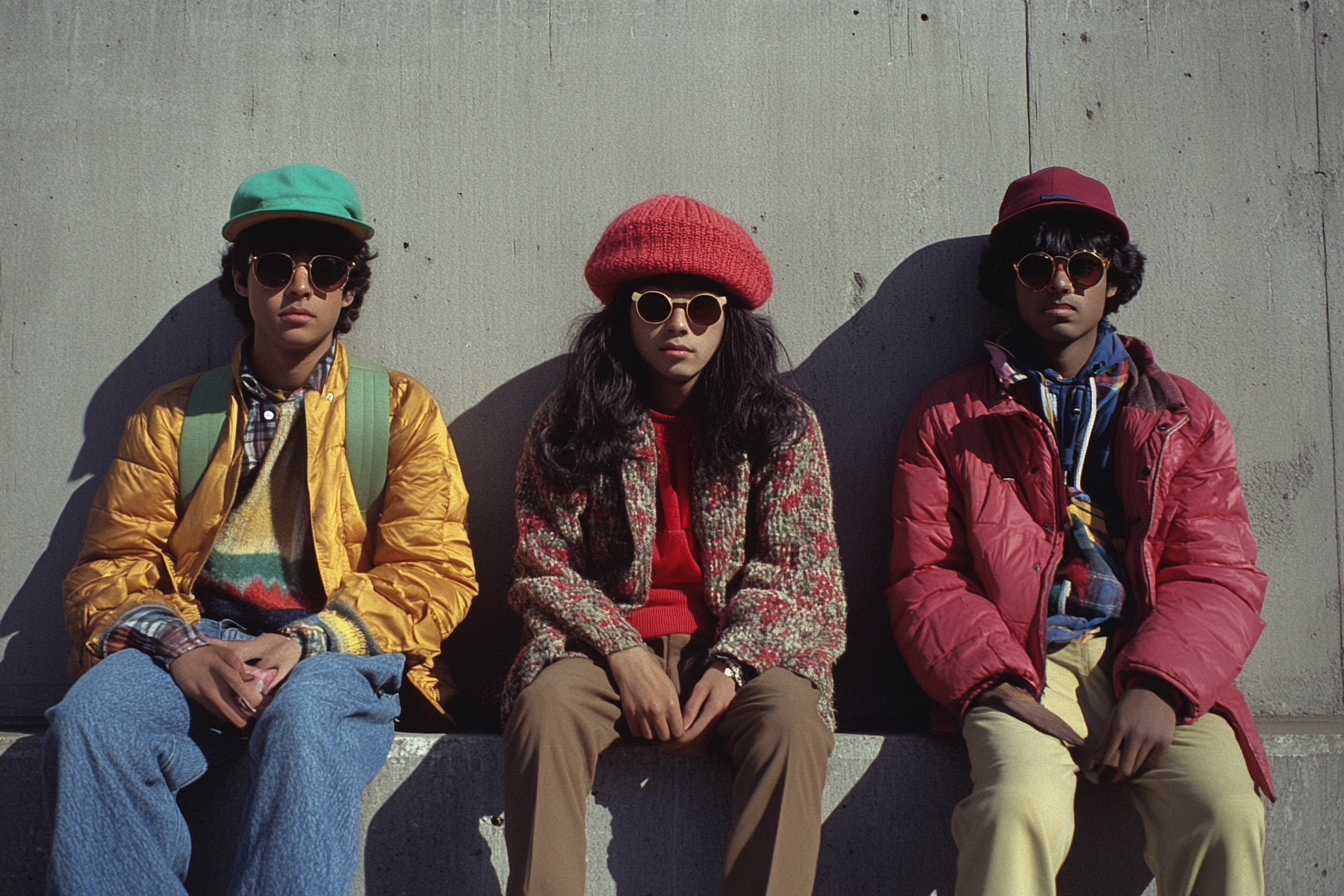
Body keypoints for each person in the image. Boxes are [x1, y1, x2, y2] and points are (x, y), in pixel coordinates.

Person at [43, 163, 477, 896]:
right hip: (194, 640)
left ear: (349, 287)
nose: (299, 286)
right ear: (242, 280)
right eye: (274, 266)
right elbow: (108, 566)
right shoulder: (173, 415)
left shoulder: (399, 410)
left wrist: (308, 640)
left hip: (337, 644)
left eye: (326, 268)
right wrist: (181, 649)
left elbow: (434, 572)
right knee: (92, 719)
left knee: (306, 723)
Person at [886, 167, 1271, 896]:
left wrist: (1161, 685)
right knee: (1015, 808)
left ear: (1113, 283)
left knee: (1225, 813)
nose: (1060, 283)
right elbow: (924, 573)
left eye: (1083, 266)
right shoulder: (946, 416)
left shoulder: (1183, 415)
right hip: (1023, 663)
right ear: (1009, 283)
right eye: (1037, 267)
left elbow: (1219, 570)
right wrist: (991, 679)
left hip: (1150, 656)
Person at [501, 194, 846, 896]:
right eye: (654, 305)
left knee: (793, 725)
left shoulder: (782, 426)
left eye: (702, 308)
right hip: (601, 651)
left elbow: (800, 572)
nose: (678, 326)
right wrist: (623, 652)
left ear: (730, 318)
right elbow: (543, 561)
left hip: (742, 651)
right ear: (625, 316)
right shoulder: (569, 421)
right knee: (544, 709)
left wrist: (733, 665)